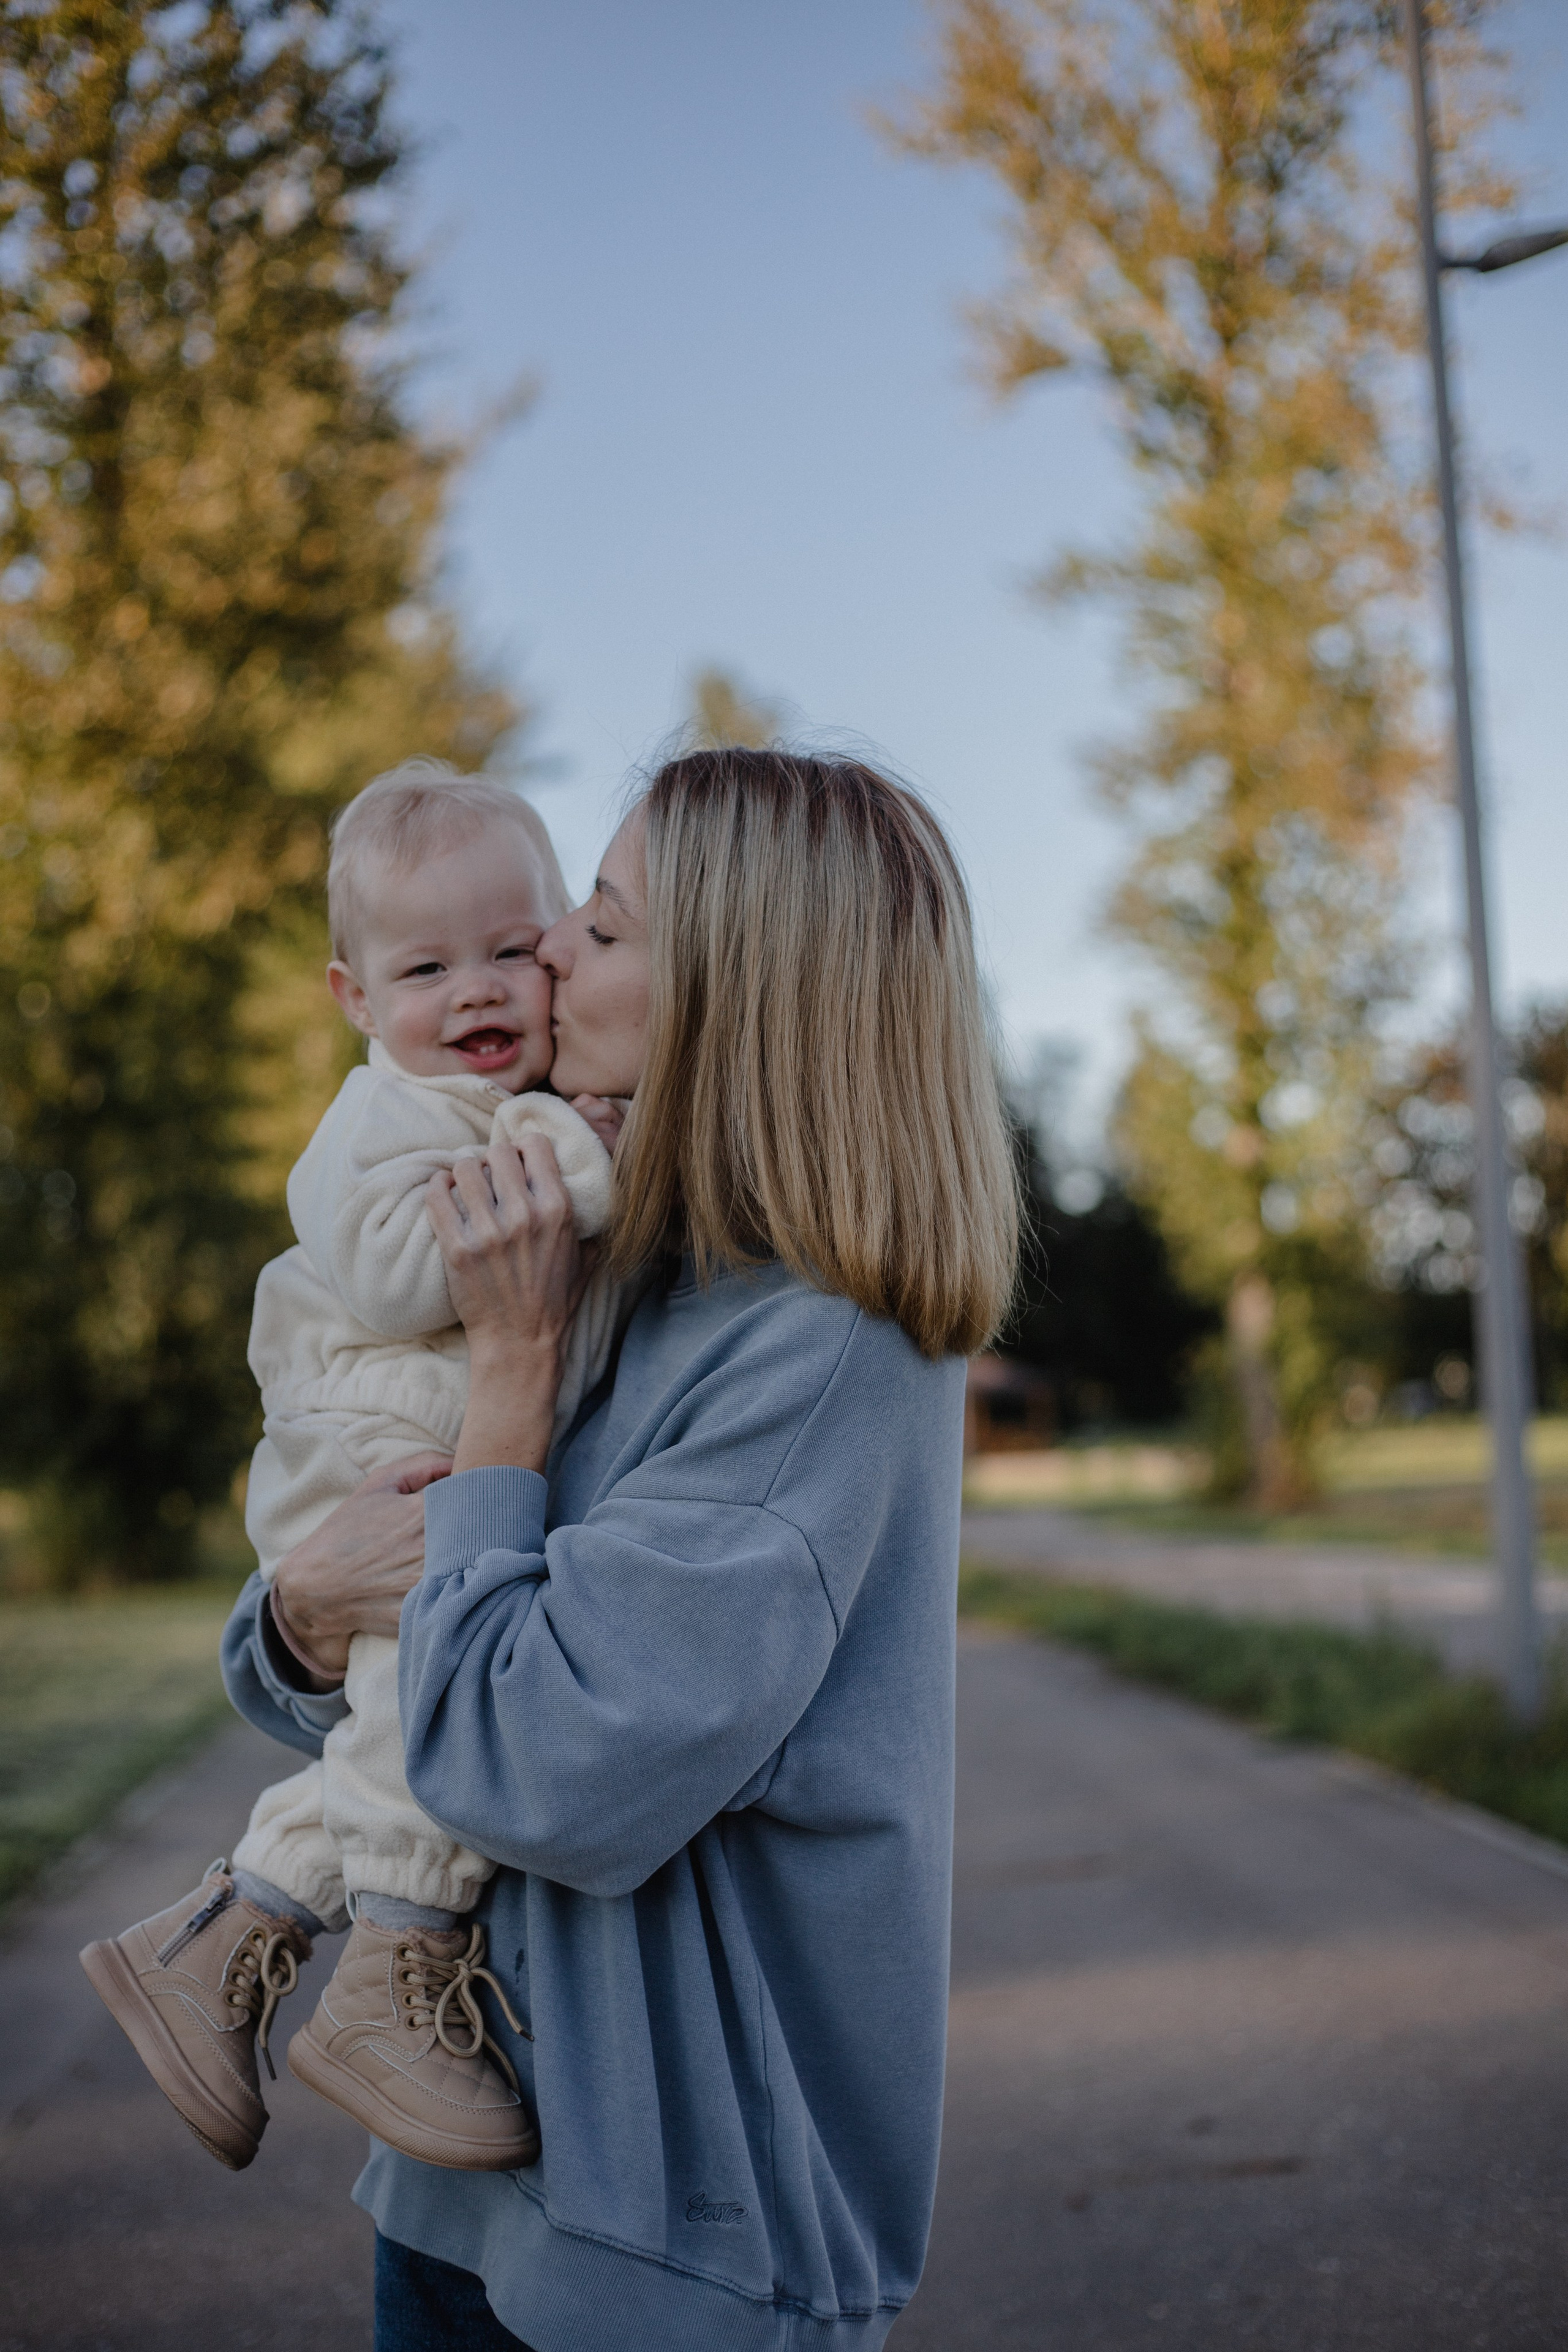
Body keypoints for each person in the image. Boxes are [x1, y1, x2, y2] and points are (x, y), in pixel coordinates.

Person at [230, 750, 1017, 2351]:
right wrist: (300, 1621)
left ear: (743, 986)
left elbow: (524, 1763)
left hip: (665, 2255)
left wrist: (513, 1378)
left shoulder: (819, 1355)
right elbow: (369, 1652)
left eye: (603, 917)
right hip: (461, 2183)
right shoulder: (607, 1260)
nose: (548, 954)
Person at [81, 761, 626, 2174]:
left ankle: (221, 1935)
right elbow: (393, 1276)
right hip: (371, 1444)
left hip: (417, 1433)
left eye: (513, 951)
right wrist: (571, 1154)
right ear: (354, 999)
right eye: (427, 967)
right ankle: (396, 1964)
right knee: (426, 1705)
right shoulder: (378, 1120)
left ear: (562, 943)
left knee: (405, 1709)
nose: (477, 993)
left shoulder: (501, 1096)